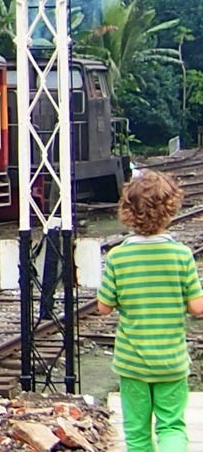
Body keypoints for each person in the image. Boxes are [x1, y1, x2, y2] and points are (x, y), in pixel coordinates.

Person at [97, 170, 203, 452]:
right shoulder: (181, 256)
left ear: (127, 212)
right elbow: (197, 308)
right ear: (170, 210)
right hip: (171, 361)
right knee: (171, 427)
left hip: (132, 362)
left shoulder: (118, 256)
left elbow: (104, 307)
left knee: (137, 433)